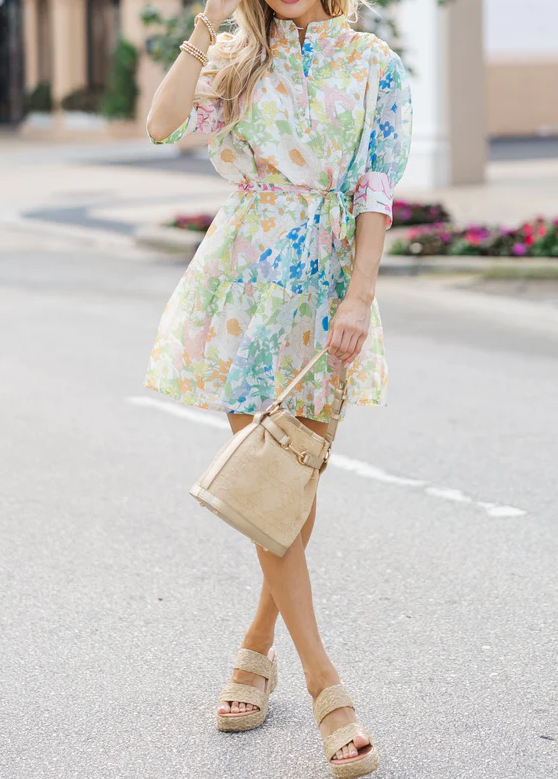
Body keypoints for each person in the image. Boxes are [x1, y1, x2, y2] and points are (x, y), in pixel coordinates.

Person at [145, 0, 412, 774]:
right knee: (269, 486)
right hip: (243, 284)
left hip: (327, 288)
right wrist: (206, 28)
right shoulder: (238, 56)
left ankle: (256, 647)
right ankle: (330, 691)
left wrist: (360, 296)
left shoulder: (374, 65)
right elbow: (161, 124)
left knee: (293, 484)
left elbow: (374, 190)